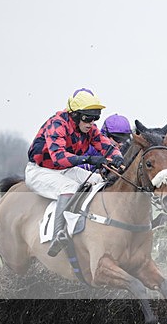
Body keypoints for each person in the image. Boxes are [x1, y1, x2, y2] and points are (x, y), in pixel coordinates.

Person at [26, 88, 125, 256]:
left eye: (95, 118)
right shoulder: (57, 124)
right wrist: (89, 159)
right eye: (87, 118)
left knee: (100, 183)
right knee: (70, 189)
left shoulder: (90, 129)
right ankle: (59, 234)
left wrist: (118, 158)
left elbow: (106, 146)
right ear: (76, 115)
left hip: (65, 170)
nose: (91, 123)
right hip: (40, 171)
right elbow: (59, 157)